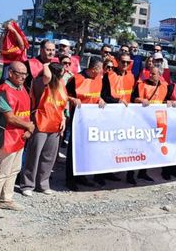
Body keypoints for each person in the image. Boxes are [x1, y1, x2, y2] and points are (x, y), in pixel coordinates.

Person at [0, 61, 35, 218]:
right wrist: (28, 126)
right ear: (10, 73)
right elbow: (9, 117)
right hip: (6, 136)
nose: (22, 76)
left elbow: (25, 113)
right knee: (2, 171)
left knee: (15, 169)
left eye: (25, 73)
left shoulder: (22, 89)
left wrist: (27, 129)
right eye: (19, 73)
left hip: (20, 136)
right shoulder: (3, 91)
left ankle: (7, 198)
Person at [21, 63, 67, 196]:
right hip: (41, 123)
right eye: (59, 73)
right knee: (34, 154)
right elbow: (47, 75)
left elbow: (62, 105)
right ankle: (27, 184)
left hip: (56, 124)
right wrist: (46, 64)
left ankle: (43, 183)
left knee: (49, 156)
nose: (61, 76)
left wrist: (63, 118)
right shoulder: (41, 82)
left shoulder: (61, 84)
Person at [65, 57, 106, 190]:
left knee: (87, 150)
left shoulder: (98, 79)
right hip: (78, 119)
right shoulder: (76, 79)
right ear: (94, 69)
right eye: (100, 69)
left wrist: (100, 99)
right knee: (74, 150)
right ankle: (70, 179)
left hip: (92, 120)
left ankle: (82, 176)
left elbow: (96, 94)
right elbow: (64, 94)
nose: (102, 72)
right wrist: (72, 99)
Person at [97, 52, 135, 185]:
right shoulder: (108, 76)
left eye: (127, 62)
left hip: (125, 117)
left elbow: (134, 96)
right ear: (117, 61)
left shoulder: (131, 77)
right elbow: (103, 95)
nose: (125, 64)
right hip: (109, 116)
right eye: (123, 61)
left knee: (119, 146)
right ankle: (100, 175)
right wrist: (116, 101)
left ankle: (110, 172)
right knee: (106, 146)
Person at [128, 67, 169, 184]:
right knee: (136, 148)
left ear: (160, 75)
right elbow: (132, 98)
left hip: (154, 122)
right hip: (140, 121)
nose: (151, 75)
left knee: (148, 148)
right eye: (150, 73)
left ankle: (142, 172)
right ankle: (130, 174)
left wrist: (169, 102)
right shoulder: (141, 84)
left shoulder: (164, 87)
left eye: (154, 74)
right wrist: (140, 100)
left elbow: (165, 101)